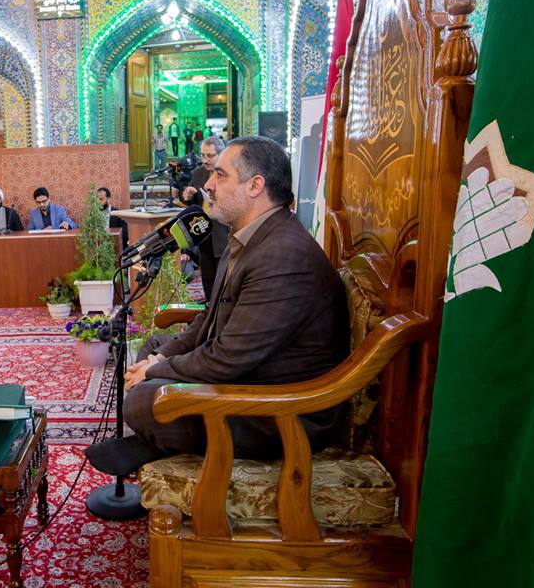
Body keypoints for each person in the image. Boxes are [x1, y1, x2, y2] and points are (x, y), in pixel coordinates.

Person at [85, 137, 350, 476]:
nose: (208, 184)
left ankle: (153, 444)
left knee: (142, 400)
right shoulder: (250, 237)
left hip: (281, 409)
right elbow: (209, 318)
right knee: (154, 347)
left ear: (255, 186)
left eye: (220, 175)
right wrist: (161, 359)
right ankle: (157, 442)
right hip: (252, 376)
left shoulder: (283, 256)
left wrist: (152, 372)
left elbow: (228, 359)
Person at [180, 136, 230, 301]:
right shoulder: (198, 173)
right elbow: (193, 203)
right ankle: (209, 307)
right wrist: (189, 196)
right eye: (202, 155)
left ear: (221, 154)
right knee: (208, 278)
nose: (205, 160)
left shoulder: (230, 174)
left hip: (224, 234)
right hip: (204, 234)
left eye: (209, 155)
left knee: (224, 282)